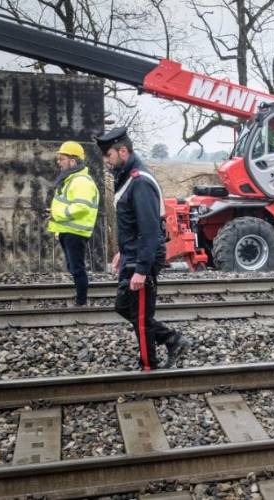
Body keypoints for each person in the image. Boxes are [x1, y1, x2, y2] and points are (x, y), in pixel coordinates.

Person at [94, 127, 192, 371]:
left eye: (109, 155)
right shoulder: (127, 177)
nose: (106, 161)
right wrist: (122, 251)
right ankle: (171, 339)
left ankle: (148, 366)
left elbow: (149, 231)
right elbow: (132, 223)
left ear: (123, 151)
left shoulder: (139, 182)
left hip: (143, 255)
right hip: (133, 252)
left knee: (139, 315)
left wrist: (141, 269)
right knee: (124, 306)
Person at [47, 141, 100, 306]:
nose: (58, 162)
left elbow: (81, 207)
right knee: (74, 267)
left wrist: (56, 214)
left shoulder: (81, 181)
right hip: (68, 230)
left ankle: (81, 301)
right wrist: (56, 221)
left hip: (75, 232)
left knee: (77, 268)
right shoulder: (72, 179)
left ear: (73, 161)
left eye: (62, 159)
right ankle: (80, 298)